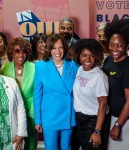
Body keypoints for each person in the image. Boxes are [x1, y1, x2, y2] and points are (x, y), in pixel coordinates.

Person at [33, 33, 78, 150]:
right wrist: (38, 120)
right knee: (51, 147)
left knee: (66, 147)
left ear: (65, 48)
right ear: (49, 49)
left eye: (61, 47)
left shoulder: (72, 64)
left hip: (68, 112)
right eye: (53, 48)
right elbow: (37, 95)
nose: (57, 51)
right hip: (49, 115)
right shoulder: (40, 66)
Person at [73, 39, 110, 150]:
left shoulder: (100, 77)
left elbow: (103, 106)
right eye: (84, 55)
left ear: (96, 57)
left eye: (91, 56)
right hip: (81, 119)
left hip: (94, 121)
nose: (88, 59)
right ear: (79, 56)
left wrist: (97, 131)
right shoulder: (80, 69)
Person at [0, 37, 36, 150]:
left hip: (31, 111)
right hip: (13, 111)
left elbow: (39, 92)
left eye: (24, 51)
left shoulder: (35, 68)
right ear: (11, 53)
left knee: (31, 144)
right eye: (17, 51)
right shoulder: (4, 68)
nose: (21, 55)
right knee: (14, 143)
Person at [102, 19, 129, 150]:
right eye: (112, 44)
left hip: (123, 119)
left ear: (127, 46)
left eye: (119, 45)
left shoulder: (128, 67)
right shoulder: (107, 61)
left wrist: (118, 124)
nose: (114, 49)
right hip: (109, 116)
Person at [59, 17, 80, 150]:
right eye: (63, 28)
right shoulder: (53, 45)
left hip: (75, 94)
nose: (65, 31)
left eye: (69, 28)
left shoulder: (79, 45)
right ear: (59, 28)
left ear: (73, 30)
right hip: (58, 95)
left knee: (73, 135)